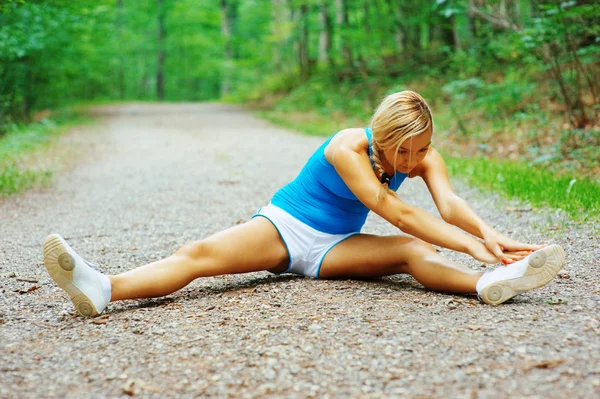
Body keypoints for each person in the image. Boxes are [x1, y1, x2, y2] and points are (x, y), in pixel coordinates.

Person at [43, 90, 565, 318]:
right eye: (403, 151)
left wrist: (488, 240)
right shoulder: (346, 147)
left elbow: (447, 206)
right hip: (285, 228)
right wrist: (474, 245)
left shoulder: (423, 156)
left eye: (423, 148)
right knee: (198, 255)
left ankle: (490, 285)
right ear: (379, 138)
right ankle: (102, 286)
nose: (414, 160)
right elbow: (398, 210)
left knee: (407, 252)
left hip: (336, 247)